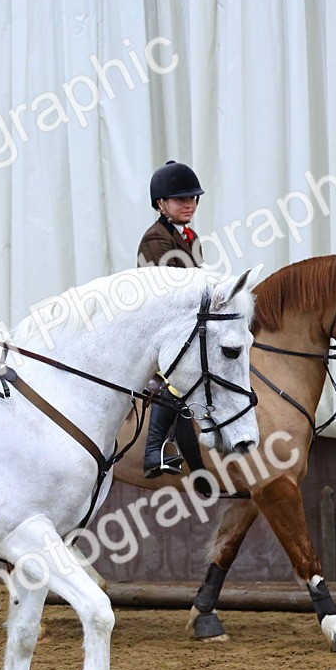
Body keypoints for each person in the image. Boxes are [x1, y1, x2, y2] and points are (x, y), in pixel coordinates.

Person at [137, 160, 206, 478]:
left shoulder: (189, 236)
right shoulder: (156, 239)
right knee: (179, 378)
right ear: (161, 204)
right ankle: (153, 451)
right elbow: (171, 293)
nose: (189, 204)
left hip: (185, 322)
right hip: (162, 323)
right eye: (181, 199)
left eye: (192, 198)